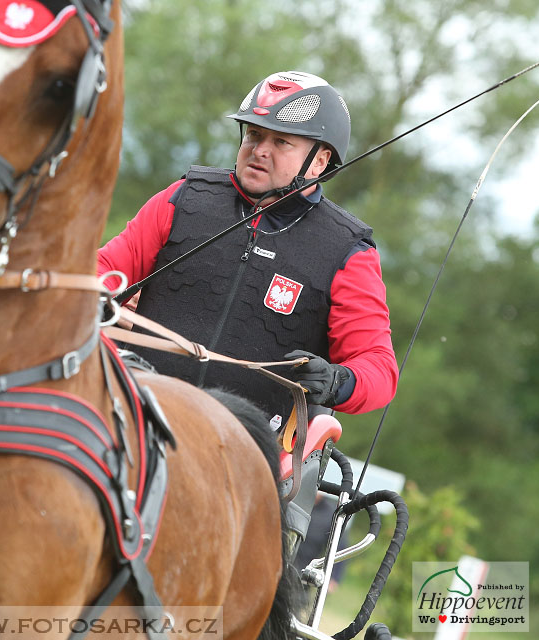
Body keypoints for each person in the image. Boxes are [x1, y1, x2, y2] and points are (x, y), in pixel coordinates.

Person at [97, 71, 399, 544]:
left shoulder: (348, 252)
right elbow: (105, 271)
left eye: (281, 141)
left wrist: (340, 380)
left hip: (249, 456)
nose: (259, 149)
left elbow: (379, 370)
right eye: (254, 134)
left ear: (319, 161)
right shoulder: (182, 199)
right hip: (135, 414)